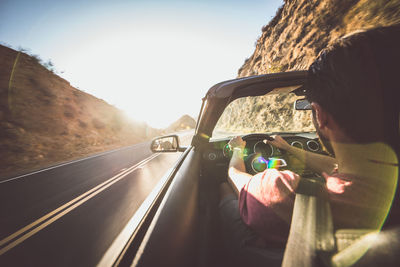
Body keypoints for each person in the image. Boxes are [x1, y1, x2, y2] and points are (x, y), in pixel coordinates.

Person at [219, 24, 400, 266]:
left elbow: (236, 177)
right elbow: (340, 166)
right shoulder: (381, 180)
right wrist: (290, 149)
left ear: (320, 115)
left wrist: (239, 150)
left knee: (222, 191)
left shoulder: (283, 192)